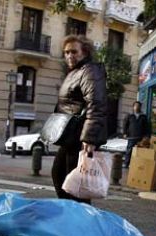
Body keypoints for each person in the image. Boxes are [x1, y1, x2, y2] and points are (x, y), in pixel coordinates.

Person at [51, 35, 107, 203]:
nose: (69, 56)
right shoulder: (75, 72)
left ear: (85, 52)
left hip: (79, 137)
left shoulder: (90, 71)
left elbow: (96, 104)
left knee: (76, 186)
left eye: (74, 52)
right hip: (70, 135)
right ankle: (71, 217)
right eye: (66, 52)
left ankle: (79, 222)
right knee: (61, 176)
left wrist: (89, 138)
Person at [122, 101, 150, 168]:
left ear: (140, 107)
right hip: (131, 137)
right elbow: (125, 124)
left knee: (139, 152)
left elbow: (146, 127)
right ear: (133, 107)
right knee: (129, 151)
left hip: (140, 137)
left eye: (138, 106)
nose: (137, 107)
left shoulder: (143, 116)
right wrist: (125, 133)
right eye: (135, 106)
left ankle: (137, 165)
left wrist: (146, 136)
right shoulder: (129, 115)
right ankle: (126, 163)